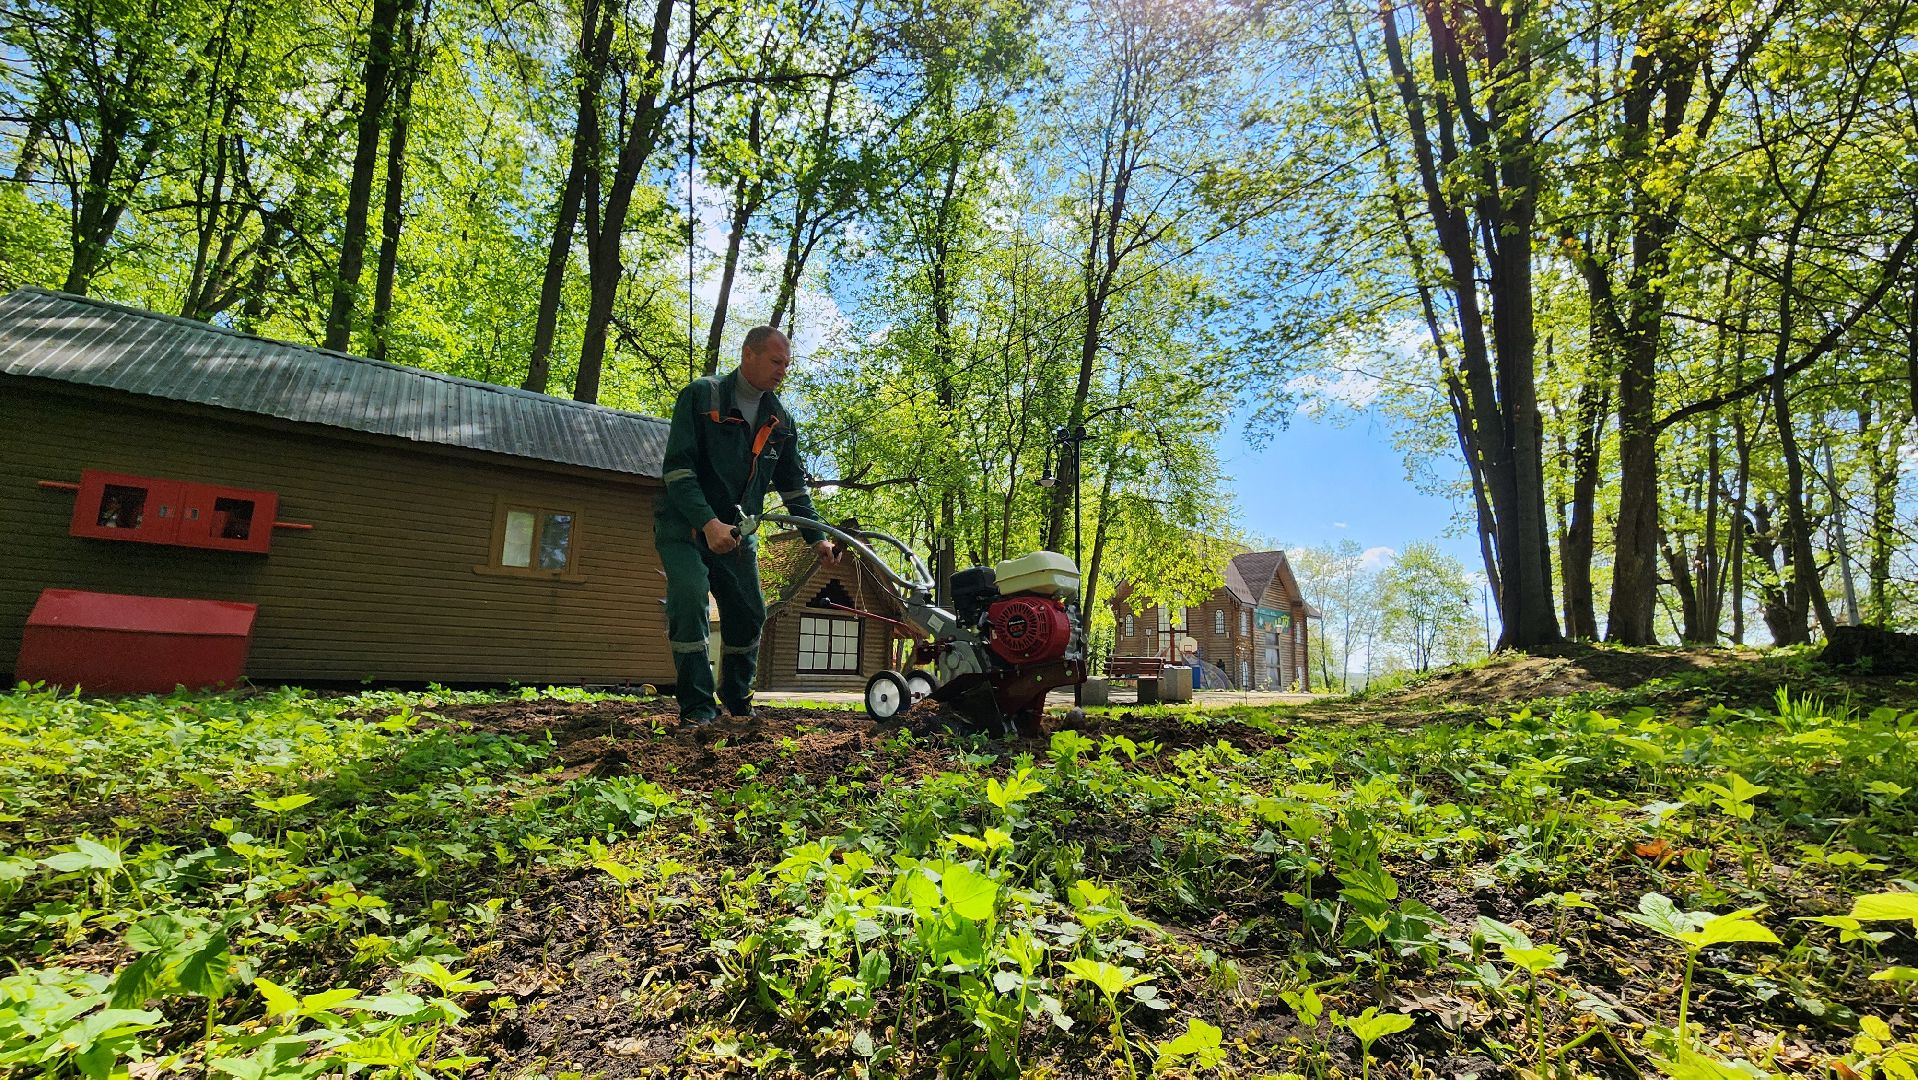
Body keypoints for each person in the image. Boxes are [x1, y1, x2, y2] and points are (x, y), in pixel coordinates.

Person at [655, 326, 839, 724]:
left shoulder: (781, 421)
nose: (782, 372)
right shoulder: (702, 396)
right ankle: (698, 709)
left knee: (751, 612)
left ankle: (737, 702)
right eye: (776, 362)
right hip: (686, 527)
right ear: (747, 354)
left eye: (787, 364)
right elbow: (679, 471)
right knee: (689, 599)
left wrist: (817, 538)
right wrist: (707, 523)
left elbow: (793, 489)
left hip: (738, 535)